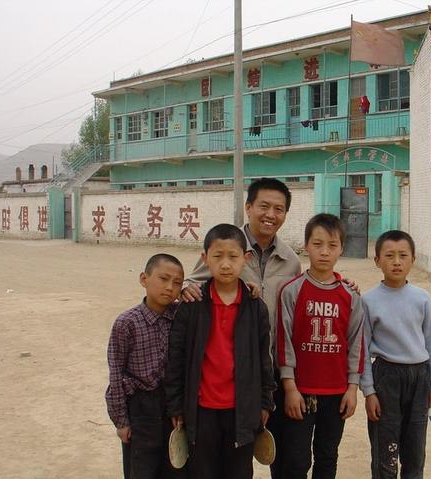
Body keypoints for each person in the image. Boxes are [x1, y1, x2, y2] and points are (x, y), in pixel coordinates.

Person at [180, 177, 301, 478]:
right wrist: (184, 288)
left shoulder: (291, 261)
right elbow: (194, 284)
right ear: (248, 207)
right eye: (263, 206)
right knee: (228, 458)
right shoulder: (226, 247)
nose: (270, 214)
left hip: (270, 369)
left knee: (282, 455)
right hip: (232, 376)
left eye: (279, 209)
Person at [164, 223, 276, 479]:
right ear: (205, 259)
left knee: (238, 472)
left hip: (242, 410)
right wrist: (176, 406)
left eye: (233, 257)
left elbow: (264, 359)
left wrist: (265, 402)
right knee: (203, 471)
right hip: (201, 411)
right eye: (217, 256)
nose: (226, 264)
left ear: (246, 259)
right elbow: (176, 359)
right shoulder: (192, 304)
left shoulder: (255, 307)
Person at [277, 213, 365, 479]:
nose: (324, 252)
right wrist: (290, 387)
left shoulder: (350, 296)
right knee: (296, 459)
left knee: (327, 456)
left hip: (336, 393)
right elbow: (284, 341)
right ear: (305, 245)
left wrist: (352, 388)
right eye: (317, 244)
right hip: (300, 393)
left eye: (332, 245)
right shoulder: (292, 290)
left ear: (341, 248)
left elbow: (356, 344)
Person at [360, 230, 431, 479]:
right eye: (389, 255)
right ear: (377, 261)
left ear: (413, 259)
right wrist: (369, 391)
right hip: (386, 377)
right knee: (385, 448)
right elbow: (362, 349)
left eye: (403, 255)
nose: (397, 261)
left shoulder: (422, 299)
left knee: (415, 448)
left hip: (419, 377)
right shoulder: (369, 300)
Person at [105, 253, 185, 479]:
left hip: (171, 405)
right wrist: (121, 421)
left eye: (177, 283)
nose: (170, 287)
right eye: (163, 279)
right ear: (144, 279)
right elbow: (116, 375)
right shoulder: (127, 323)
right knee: (141, 468)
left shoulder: (180, 315)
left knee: (174, 465)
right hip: (140, 407)